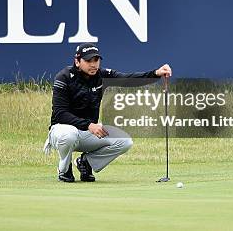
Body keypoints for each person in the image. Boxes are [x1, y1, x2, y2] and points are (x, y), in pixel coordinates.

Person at [44, 43, 172, 182]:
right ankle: (64, 170)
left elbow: (127, 79)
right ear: (77, 61)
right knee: (69, 135)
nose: (93, 65)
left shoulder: (101, 75)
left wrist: (155, 74)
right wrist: (89, 125)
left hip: (88, 131)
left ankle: (86, 162)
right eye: (88, 61)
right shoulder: (64, 77)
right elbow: (60, 113)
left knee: (125, 141)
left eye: (96, 60)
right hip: (62, 130)